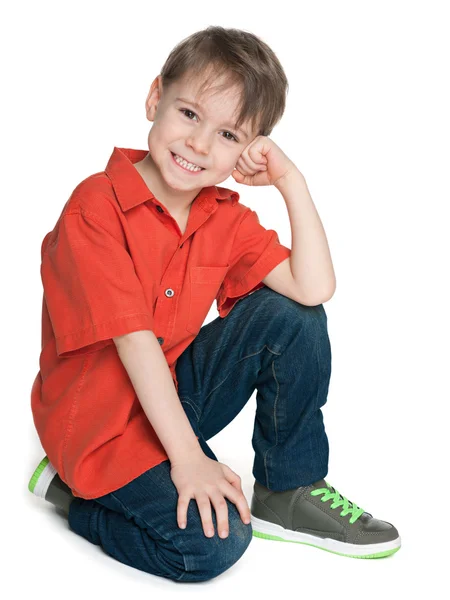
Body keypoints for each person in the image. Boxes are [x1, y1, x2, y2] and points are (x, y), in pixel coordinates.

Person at [28, 26, 401, 582]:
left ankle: (288, 487)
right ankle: (77, 498)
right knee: (214, 545)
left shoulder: (222, 215)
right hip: (99, 428)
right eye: (189, 114)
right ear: (155, 98)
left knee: (291, 316)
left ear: (248, 150)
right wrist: (189, 461)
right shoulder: (95, 208)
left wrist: (290, 181)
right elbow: (133, 343)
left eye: (227, 133)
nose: (199, 144)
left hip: (169, 401)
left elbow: (312, 288)